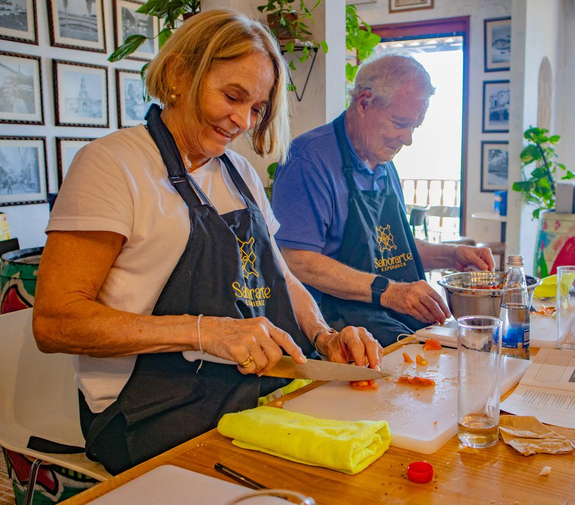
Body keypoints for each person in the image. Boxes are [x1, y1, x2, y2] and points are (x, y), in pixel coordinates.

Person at [32, 9, 381, 475]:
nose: (242, 120)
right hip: (151, 415)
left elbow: (279, 276)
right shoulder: (112, 165)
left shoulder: (238, 173)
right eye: (232, 96)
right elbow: (55, 322)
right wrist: (204, 331)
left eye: (257, 108)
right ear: (180, 74)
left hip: (246, 396)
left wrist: (324, 336)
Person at [271, 53, 495, 347]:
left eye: (414, 127)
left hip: (388, 319)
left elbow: (388, 248)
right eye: (400, 122)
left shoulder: (384, 164)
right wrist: (390, 292)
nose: (408, 139)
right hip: (334, 331)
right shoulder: (308, 160)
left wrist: (451, 256)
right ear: (364, 102)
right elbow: (295, 261)